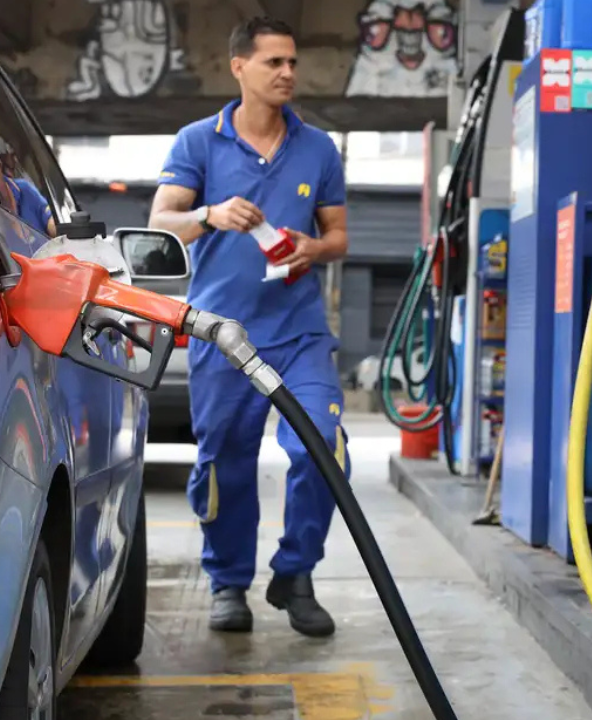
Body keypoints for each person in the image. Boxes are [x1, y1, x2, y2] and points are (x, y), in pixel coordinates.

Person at [147, 16, 351, 638]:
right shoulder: (197, 143)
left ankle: (296, 574)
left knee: (324, 448)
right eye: (274, 63)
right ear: (240, 67)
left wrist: (310, 250)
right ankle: (228, 583)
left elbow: (339, 236)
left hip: (299, 334)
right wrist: (210, 213)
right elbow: (160, 223)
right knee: (224, 463)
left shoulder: (318, 148)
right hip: (223, 335)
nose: (288, 72)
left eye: (292, 62)